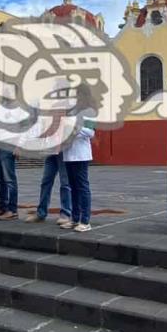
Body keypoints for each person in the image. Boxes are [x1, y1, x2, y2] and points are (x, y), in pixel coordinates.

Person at [61, 85, 96, 232]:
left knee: (82, 187)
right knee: (73, 187)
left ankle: (85, 220)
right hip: (68, 153)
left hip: (81, 154)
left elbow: (91, 132)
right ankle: (75, 219)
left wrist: (75, 128)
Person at [25, 150, 72, 225]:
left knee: (65, 183)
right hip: (51, 151)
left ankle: (66, 213)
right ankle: (41, 213)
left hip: (63, 150)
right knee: (46, 181)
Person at [0, 143, 19, 220]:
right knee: (0, 180)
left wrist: (18, 146)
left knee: (10, 180)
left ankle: (12, 211)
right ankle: (3, 208)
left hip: (8, 147)